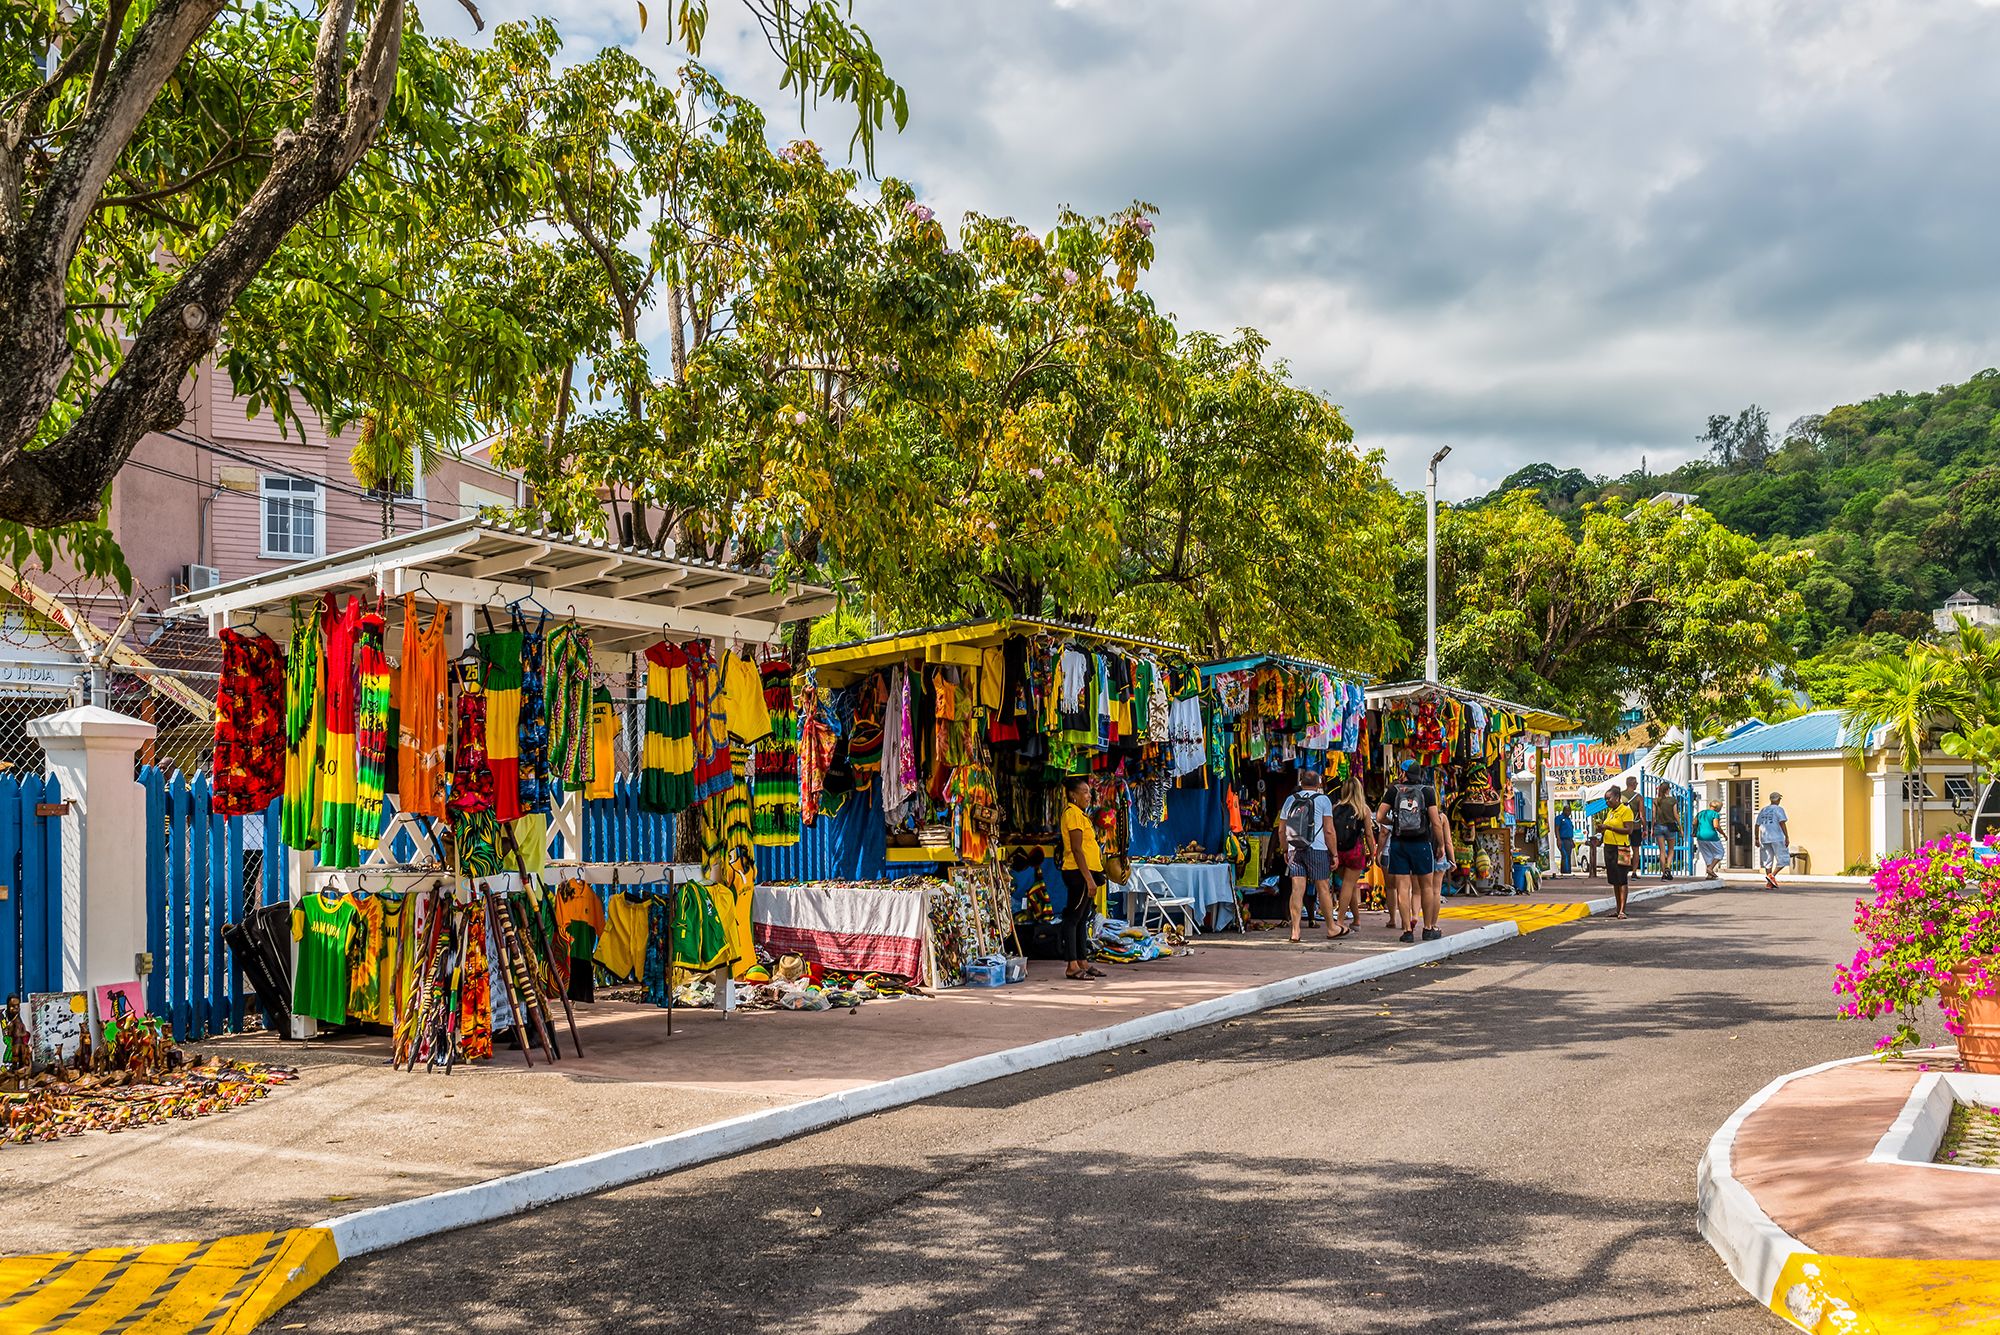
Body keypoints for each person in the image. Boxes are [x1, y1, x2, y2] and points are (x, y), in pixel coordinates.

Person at [1377, 760, 1452, 944]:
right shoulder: (1427, 791)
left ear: (1404, 773)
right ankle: (1427, 928)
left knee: (1403, 887)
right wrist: (1441, 845)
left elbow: (1379, 816)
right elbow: (1435, 822)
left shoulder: (1394, 791)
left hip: (1399, 844)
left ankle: (1407, 930)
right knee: (1426, 886)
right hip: (1421, 843)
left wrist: (1394, 824)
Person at [1278, 769, 1346, 943]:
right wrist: (1334, 854)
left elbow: (1281, 830)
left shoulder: (1290, 799)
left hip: (1295, 849)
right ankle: (1331, 928)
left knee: (1297, 889)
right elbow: (1329, 830)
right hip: (1317, 849)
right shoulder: (1323, 800)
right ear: (1319, 784)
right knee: (1322, 887)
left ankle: (1295, 931)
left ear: (1301, 783)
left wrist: (1286, 850)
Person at [1058, 776, 1106, 980]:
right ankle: (1071, 965)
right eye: (1084, 792)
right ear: (1073, 795)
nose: (1089, 796)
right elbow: (1077, 850)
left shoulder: (1081, 814)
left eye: (1089, 791)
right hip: (1078, 874)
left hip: (1087, 872)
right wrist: (1088, 879)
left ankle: (1083, 961)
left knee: (1082, 919)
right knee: (1073, 919)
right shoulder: (1073, 815)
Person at [1331, 776, 1376, 936]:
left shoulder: (1335, 807)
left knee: (1347, 886)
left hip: (1338, 851)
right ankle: (1340, 922)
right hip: (1355, 851)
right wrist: (1373, 852)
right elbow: (1369, 835)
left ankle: (1356, 920)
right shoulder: (1363, 809)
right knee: (1348, 886)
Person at [1600, 783, 1637, 919]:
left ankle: (1623, 910)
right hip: (1609, 847)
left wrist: (1609, 828)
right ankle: (1617, 908)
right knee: (1614, 880)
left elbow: (1629, 830)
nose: (1607, 801)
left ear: (1617, 798)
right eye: (1606, 799)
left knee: (1622, 879)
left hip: (1622, 848)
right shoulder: (1610, 812)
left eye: (1609, 798)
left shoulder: (1625, 811)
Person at [1756, 792, 1791, 889]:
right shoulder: (1779, 809)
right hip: (1777, 837)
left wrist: (1756, 838)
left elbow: (1757, 825)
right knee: (1783, 859)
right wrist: (1787, 836)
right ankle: (1772, 875)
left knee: (1767, 860)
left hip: (1765, 837)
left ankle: (1769, 883)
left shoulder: (1763, 810)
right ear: (1778, 800)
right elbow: (1782, 823)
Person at [1653, 781, 1682, 881]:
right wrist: (1681, 828)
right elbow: (1676, 815)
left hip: (1659, 826)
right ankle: (1668, 867)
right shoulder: (1672, 800)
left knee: (1661, 851)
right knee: (1671, 849)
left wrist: (1652, 828)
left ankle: (1663, 873)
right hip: (1670, 827)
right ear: (1668, 790)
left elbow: (1653, 816)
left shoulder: (1656, 800)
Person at [1693, 800, 1726, 879]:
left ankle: (1709, 875)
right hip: (1711, 836)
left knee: (1708, 854)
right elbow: (1716, 826)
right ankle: (1710, 869)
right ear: (1717, 808)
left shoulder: (1701, 813)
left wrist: (1694, 832)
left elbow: (1694, 823)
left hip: (1700, 836)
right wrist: (1723, 834)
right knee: (1720, 852)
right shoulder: (1715, 814)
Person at [1554, 802, 1576, 876]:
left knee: (1568, 856)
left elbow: (1570, 830)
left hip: (1569, 840)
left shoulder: (1568, 820)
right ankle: (1565, 872)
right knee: (1565, 856)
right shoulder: (1559, 818)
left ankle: (1568, 872)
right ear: (1563, 810)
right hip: (1562, 840)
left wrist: (1572, 841)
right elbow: (1557, 829)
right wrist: (1558, 839)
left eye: (1569, 811)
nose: (1568, 812)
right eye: (1567, 810)